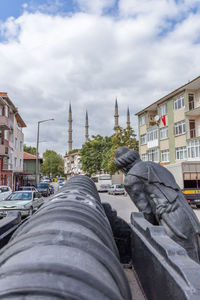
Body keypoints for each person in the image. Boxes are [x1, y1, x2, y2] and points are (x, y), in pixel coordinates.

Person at [114, 147, 200, 263]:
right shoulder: (157, 167)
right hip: (188, 214)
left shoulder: (131, 178)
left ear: (124, 168)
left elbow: (147, 213)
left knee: (183, 261)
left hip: (171, 220)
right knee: (195, 253)